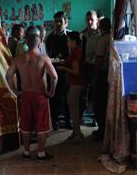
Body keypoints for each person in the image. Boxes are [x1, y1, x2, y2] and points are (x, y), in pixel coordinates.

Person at [6, 25, 58, 161]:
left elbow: (8, 76)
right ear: (39, 43)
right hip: (40, 96)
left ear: (26, 43)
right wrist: (51, 92)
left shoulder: (18, 59)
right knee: (41, 126)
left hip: (25, 95)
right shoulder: (43, 58)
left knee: (26, 125)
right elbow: (54, 77)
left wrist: (15, 91)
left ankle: (26, 152)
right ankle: (41, 153)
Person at [57, 31, 85, 144]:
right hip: (74, 82)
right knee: (73, 108)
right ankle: (75, 132)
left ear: (74, 41)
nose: (67, 43)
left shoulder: (76, 52)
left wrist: (64, 69)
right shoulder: (74, 51)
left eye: (68, 41)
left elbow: (76, 71)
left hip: (76, 83)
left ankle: (78, 134)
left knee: (74, 110)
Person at [45, 11, 70, 129]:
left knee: (67, 96)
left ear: (66, 22)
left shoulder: (70, 35)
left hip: (67, 71)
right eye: (56, 21)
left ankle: (67, 120)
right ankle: (54, 121)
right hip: (54, 70)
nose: (58, 24)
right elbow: (47, 54)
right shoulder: (50, 37)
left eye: (60, 21)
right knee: (54, 96)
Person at [92, 17, 112, 140]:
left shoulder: (102, 39)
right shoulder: (112, 37)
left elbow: (99, 59)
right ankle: (105, 131)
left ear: (100, 26)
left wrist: (95, 76)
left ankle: (101, 131)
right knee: (105, 103)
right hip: (110, 74)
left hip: (102, 74)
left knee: (99, 104)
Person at [80, 10, 100, 126]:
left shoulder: (100, 35)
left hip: (95, 67)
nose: (90, 22)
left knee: (95, 93)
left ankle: (96, 119)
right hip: (84, 66)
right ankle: (81, 117)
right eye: (88, 20)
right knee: (83, 92)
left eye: (92, 19)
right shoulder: (82, 35)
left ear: (96, 20)